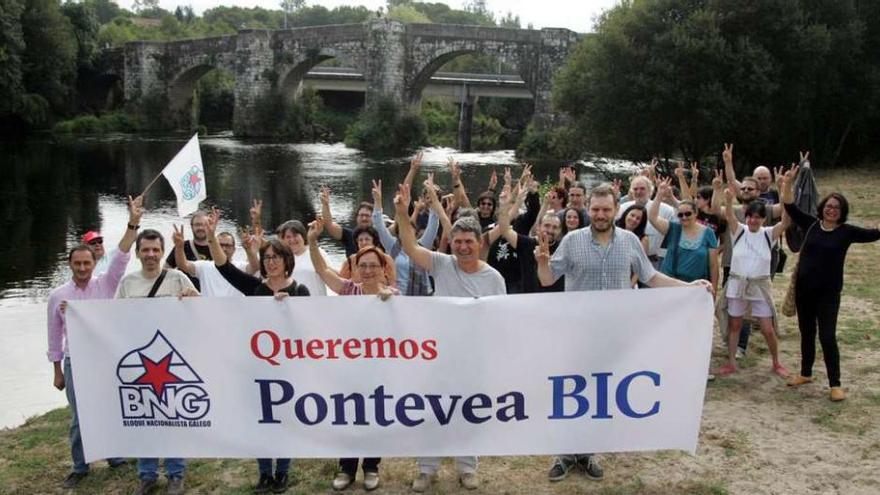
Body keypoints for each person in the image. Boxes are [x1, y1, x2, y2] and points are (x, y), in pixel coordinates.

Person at [536, 184, 712, 483]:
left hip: (614, 336)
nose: (600, 215)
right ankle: (565, 453)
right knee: (572, 391)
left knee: (601, 394)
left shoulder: (630, 241)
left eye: (606, 209)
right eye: (595, 209)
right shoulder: (572, 241)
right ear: (587, 209)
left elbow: (651, 277)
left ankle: (589, 452)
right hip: (576, 333)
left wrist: (690, 288)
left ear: (616, 208)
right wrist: (542, 261)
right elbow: (547, 279)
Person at [394, 183, 505, 492]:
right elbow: (409, 246)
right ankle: (426, 469)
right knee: (432, 410)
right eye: (457, 242)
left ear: (480, 242)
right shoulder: (442, 265)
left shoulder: (494, 279)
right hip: (439, 356)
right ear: (451, 242)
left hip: (474, 358)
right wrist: (403, 213)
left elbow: (500, 321)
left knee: (470, 411)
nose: (463, 247)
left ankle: (467, 468)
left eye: (469, 241)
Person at [196, 211, 306, 494]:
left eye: (275, 258)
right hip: (257, 368)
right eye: (266, 258)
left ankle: (282, 472)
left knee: (284, 422)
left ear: (286, 261)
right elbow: (224, 268)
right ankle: (264, 473)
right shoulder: (255, 288)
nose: (270, 263)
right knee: (261, 421)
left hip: (288, 369)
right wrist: (211, 235)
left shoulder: (300, 290)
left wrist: (289, 307)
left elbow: (307, 330)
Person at [46, 195, 143, 489]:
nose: (82, 268)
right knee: (79, 417)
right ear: (70, 264)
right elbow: (53, 336)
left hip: (105, 359)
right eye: (77, 263)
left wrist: (133, 222)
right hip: (76, 361)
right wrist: (57, 371)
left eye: (87, 262)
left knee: (109, 407)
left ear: (93, 262)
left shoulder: (107, 284)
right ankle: (80, 465)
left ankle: (114, 455)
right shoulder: (58, 296)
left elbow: (123, 254)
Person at [307, 218, 396, 492]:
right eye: (362, 265)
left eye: (373, 265)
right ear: (355, 268)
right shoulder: (348, 290)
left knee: (375, 417)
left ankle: (371, 467)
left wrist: (390, 300)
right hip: (349, 367)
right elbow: (322, 270)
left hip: (379, 369)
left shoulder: (394, 296)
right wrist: (312, 241)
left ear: (383, 269)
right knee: (350, 414)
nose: (367, 270)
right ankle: (346, 468)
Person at [781, 166, 880, 401]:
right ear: (822, 207)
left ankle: (835, 384)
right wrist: (787, 183)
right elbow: (790, 207)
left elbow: (873, 234)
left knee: (827, 336)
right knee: (806, 333)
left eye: (836, 207)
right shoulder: (812, 224)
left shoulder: (846, 232)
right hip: (805, 292)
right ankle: (805, 373)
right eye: (828, 206)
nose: (831, 210)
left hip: (829, 294)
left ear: (842, 211)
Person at [115, 228, 199, 495]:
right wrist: (75, 313)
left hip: (172, 361)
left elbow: (201, 313)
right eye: (146, 250)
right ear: (138, 253)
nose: (151, 255)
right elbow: (109, 318)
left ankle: (176, 474)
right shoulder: (128, 283)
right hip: (141, 362)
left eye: (156, 250)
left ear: (163, 252)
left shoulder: (177, 278)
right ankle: (147, 475)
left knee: (173, 417)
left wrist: (194, 300)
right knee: (145, 418)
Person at [716, 188, 791, 377]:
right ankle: (732, 362)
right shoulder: (739, 231)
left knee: (767, 328)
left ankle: (776, 362)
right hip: (737, 285)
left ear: (764, 219)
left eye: (757, 217)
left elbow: (786, 220)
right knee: (735, 325)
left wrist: (785, 190)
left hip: (759, 287)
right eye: (750, 216)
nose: (753, 220)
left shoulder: (769, 234)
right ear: (746, 217)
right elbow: (730, 215)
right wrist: (727, 198)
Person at [371, 178, 443, 295]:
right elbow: (379, 225)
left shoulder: (422, 245)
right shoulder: (392, 245)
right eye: (405, 229)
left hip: (423, 297)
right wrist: (377, 201)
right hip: (400, 298)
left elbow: (434, 222)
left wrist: (433, 199)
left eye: (411, 230)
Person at [648, 178, 719, 292]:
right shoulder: (673, 228)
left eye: (688, 214)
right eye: (680, 215)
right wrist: (659, 194)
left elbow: (714, 265)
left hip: (697, 287)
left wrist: (714, 289)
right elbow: (652, 217)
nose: (684, 217)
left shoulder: (708, 233)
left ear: (696, 213)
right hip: (671, 284)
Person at [173, 226, 251, 298]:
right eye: (220, 245)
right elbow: (183, 265)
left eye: (227, 245)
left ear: (234, 249)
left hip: (235, 312)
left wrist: (250, 251)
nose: (224, 249)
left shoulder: (241, 267)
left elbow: (255, 267)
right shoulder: (204, 266)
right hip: (209, 312)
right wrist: (179, 247)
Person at [617, 176, 676, 267]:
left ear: (650, 191)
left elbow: (675, 234)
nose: (638, 192)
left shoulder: (666, 210)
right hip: (624, 261)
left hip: (653, 263)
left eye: (642, 189)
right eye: (635, 189)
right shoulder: (623, 208)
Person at [276, 219, 331, 296]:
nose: (292, 240)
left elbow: (331, 276)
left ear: (303, 236)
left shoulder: (317, 252)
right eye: (288, 237)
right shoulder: (280, 258)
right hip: (291, 305)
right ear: (283, 239)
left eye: (295, 235)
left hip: (317, 303)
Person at [164, 210, 213, 290]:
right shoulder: (182, 246)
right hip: (186, 297)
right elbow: (166, 271)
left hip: (211, 297)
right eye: (197, 225)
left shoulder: (217, 249)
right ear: (192, 226)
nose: (200, 228)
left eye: (204, 225)